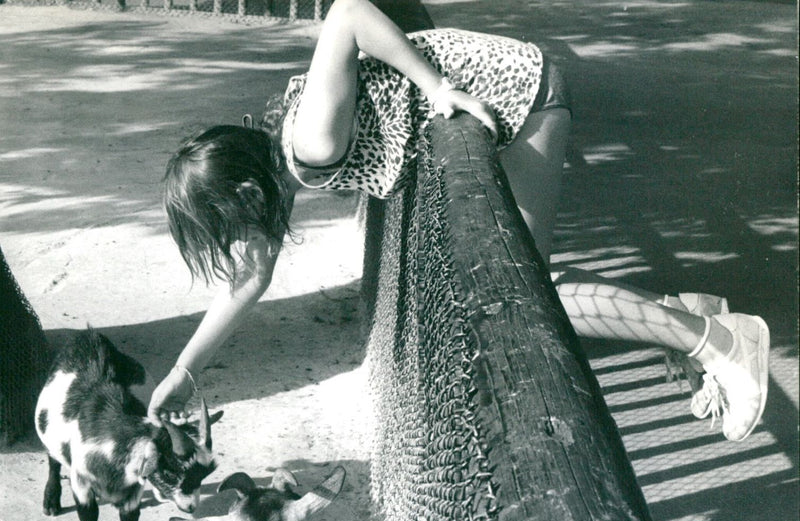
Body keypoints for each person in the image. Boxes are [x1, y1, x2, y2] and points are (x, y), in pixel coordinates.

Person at [148, 0, 769, 444]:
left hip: (520, 97)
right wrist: (184, 373)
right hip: (510, 97)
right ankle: (686, 311)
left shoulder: (311, 143)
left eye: (229, 229)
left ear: (248, 193)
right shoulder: (287, 152)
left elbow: (347, 12)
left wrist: (436, 87)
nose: (239, 244)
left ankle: (721, 341)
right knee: (530, 284)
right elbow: (249, 283)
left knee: (529, 296)